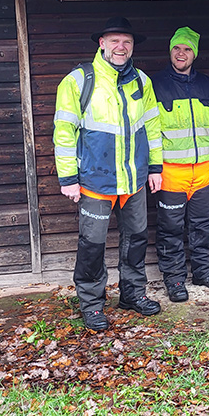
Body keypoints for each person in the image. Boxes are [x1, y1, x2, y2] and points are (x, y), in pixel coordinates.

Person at [52, 17, 163, 331]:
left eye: (126, 42)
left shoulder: (142, 81)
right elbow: (63, 132)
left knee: (137, 239)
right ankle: (91, 304)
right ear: (101, 43)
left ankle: (132, 294)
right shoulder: (77, 81)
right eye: (114, 41)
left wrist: (155, 168)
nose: (121, 47)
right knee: (92, 245)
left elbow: (152, 128)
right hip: (96, 181)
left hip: (134, 181)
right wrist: (68, 178)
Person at [151, 26, 209, 304]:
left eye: (186, 49)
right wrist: (153, 166)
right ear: (170, 51)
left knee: (202, 225)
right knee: (170, 228)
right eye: (176, 48)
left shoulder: (207, 85)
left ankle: (203, 271)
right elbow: (149, 129)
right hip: (172, 172)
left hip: (206, 171)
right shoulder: (155, 85)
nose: (181, 53)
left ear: (194, 54)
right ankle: (173, 278)